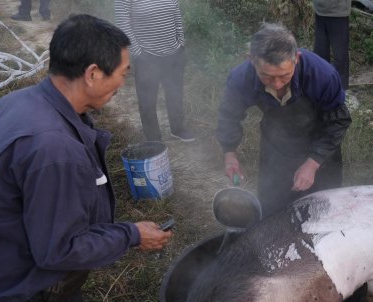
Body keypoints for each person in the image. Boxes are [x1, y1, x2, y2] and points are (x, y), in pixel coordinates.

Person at [0, 14, 172, 302]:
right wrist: (131, 235)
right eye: (122, 72)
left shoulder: (20, 102)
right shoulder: (53, 149)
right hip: (23, 289)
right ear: (92, 73)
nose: (124, 81)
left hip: (9, 259)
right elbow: (57, 251)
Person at [216, 23, 351, 218]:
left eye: (284, 76)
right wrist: (229, 154)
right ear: (252, 60)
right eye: (267, 77)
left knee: (322, 209)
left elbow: (338, 121)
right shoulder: (241, 78)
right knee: (272, 206)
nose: (277, 84)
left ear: (296, 59)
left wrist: (312, 164)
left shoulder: (322, 75)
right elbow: (229, 114)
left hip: (320, 140)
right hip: (276, 142)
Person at [114, 0, 193, 142]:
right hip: (147, 56)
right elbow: (123, 22)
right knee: (147, 101)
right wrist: (138, 52)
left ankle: (178, 129)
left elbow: (175, 11)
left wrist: (181, 42)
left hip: (174, 53)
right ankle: (153, 138)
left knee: (175, 94)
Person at [313, 0, 350, 89]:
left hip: (338, 13)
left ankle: (341, 90)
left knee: (340, 56)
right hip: (320, 11)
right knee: (320, 54)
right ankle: (322, 87)